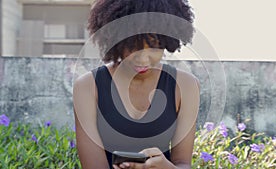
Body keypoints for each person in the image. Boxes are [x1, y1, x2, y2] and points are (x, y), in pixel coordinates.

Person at [73, 0, 200, 168]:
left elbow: (183, 163)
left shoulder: (186, 86)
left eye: (154, 47)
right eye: (133, 45)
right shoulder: (88, 87)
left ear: (168, 42)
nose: (142, 58)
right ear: (116, 39)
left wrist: (164, 167)